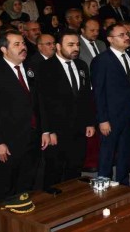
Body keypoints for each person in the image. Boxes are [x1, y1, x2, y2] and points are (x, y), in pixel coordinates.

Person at [0, 30, 49, 200]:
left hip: (32, 136)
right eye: (17, 44)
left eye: (23, 43)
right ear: (4, 49)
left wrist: (45, 130)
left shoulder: (31, 68)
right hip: (8, 140)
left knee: (28, 181)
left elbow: (40, 102)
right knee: (7, 185)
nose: (23, 47)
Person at [37, 30, 96, 189]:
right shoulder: (45, 67)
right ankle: (52, 201)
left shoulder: (82, 65)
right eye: (70, 45)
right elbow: (42, 102)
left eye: (77, 44)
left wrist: (90, 122)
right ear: (58, 46)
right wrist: (48, 130)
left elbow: (86, 97)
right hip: (57, 128)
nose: (75, 48)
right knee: (54, 169)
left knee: (75, 166)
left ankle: (72, 196)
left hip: (79, 126)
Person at [91, 23, 130, 185]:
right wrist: (102, 119)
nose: (127, 37)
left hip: (129, 114)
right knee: (107, 153)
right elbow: (98, 93)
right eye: (121, 35)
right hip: (110, 116)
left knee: (125, 151)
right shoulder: (101, 60)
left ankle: (123, 184)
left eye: (127, 34)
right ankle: (104, 186)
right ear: (110, 39)